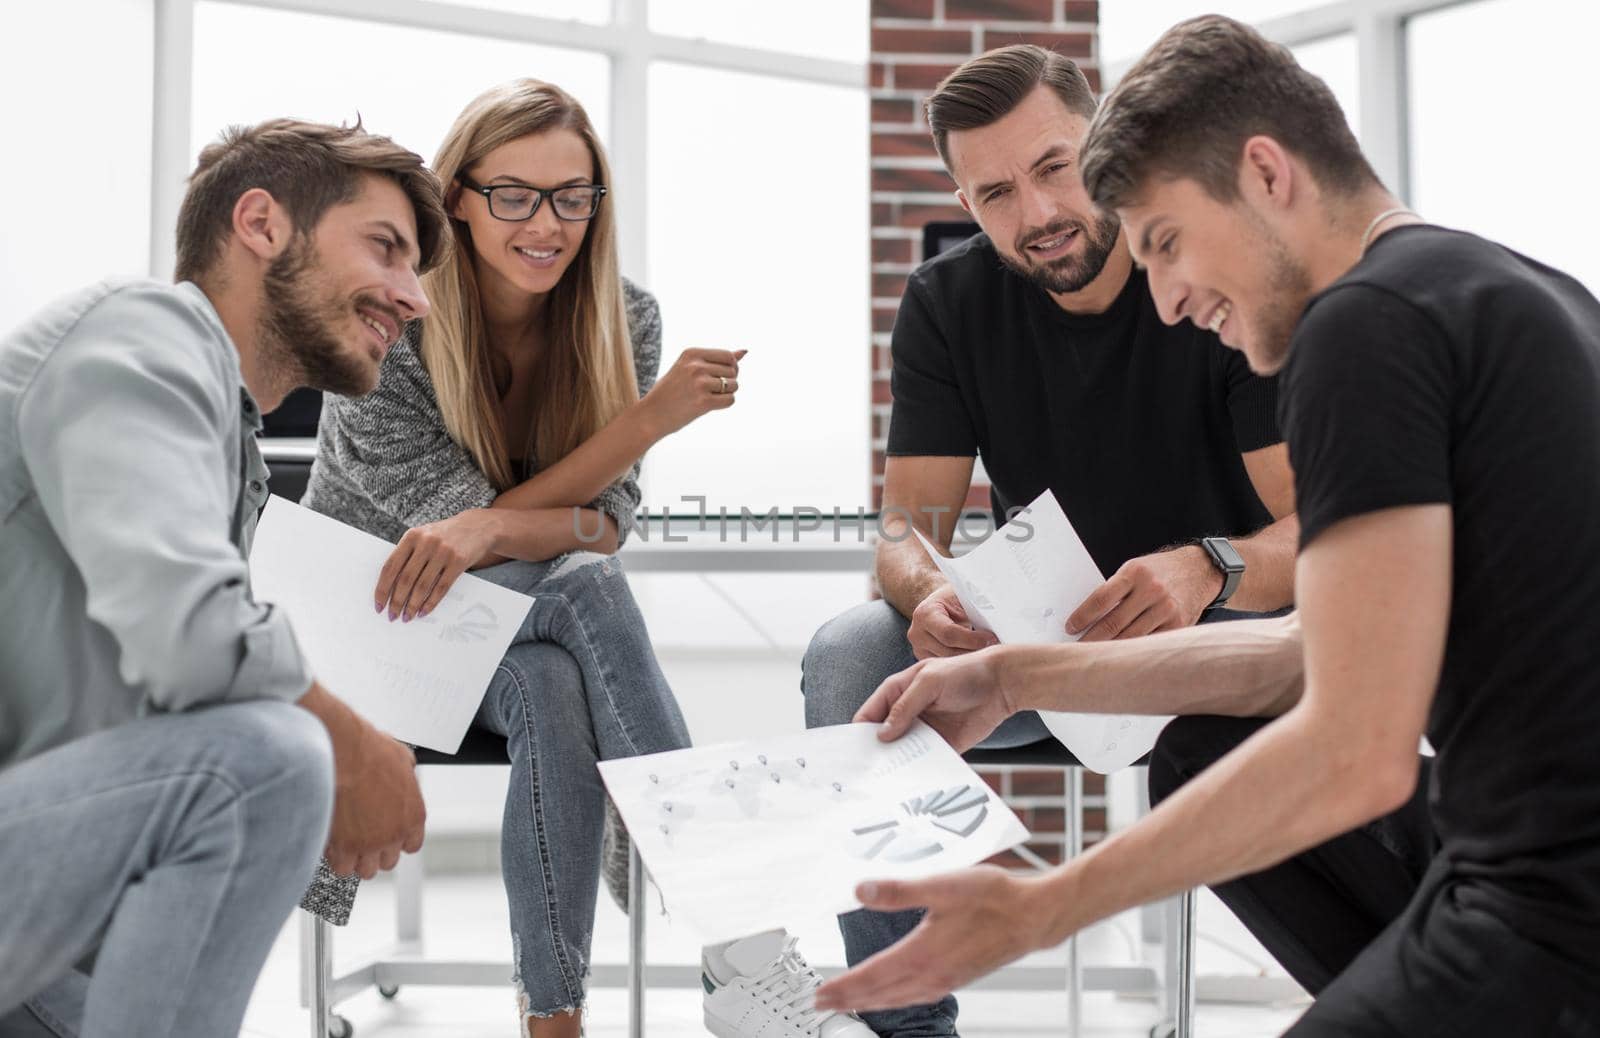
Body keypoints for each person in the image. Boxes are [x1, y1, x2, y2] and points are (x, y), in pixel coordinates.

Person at [813, 16, 1600, 1035]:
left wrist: (1040, 907)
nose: (1172, 298)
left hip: (1546, 907)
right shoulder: (1508, 288)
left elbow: (1349, 751)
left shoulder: (1361, 332)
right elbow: (1299, 656)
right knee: (1193, 748)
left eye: (1168, 243)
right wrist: (1014, 672)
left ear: (1265, 173)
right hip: (1520, 859)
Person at [301, 79, 867, 1038]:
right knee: (588, 596)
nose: (546, 223)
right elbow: (456, 544)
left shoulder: (622, 318)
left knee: (553, 689)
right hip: (375, 631)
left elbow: (604, 524)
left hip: (510, 630)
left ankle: (555, 1021)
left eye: (573, 196)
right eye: (514, 194)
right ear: (458, 199)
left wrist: (490, 530)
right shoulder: (390, 325)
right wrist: (645, 426)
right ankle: (745, 949)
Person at [800, 44, 1297, 1036]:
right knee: (847, 651)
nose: (1035, 215)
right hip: (1047, 656)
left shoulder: (1205, 271)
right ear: (963, 199)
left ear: (1104, 140)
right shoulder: (947, 304)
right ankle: (907, 1025)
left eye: (1054, 168)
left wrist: (1209, 565)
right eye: (993, 193)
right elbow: (905, 527)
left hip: (1217, 642)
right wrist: (921, 589)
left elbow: (1320, 529)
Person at [0, 118, 444, 1037]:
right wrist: (350, 745)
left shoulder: (226, 441)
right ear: (260, 223)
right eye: (386, 249)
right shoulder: (146, 331)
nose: (415, 301)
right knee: (267, 760)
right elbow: (192, 641)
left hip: (45, 900)